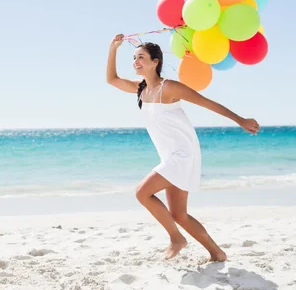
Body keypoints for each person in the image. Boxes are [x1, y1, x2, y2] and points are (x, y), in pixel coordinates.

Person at [106, 33, 260, 261]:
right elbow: (112, 79)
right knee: (179, 214)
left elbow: (207, 103)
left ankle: (176, 239)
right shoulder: (141, 89)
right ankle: (217, 253)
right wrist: (113, 49)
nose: (136, 62)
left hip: (183, 153)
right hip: (169, 155)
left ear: (155, 62)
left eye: (141, 57)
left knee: (142, 192)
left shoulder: (169, 88)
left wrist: (240, 120)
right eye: (134, 58)